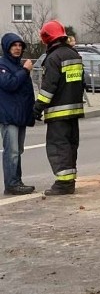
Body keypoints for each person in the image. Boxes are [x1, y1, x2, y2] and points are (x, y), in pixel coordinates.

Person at [33, 20, 85, 196]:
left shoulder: (53, 58)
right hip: (74, 110)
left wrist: (37, 108)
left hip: (58, 112)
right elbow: (81, 83)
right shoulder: (74, 54)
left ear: (47, 38)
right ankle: (69, 181)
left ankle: (64, 184)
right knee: (71, 146)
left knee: (58, 146)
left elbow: (48, 88)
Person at [0, 33, 36, 195]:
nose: (17, 48)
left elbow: (27, 93)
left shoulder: (18, 66)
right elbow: (10, 84)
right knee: (12, 151)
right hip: (8, 116)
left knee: (18, 151)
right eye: (14, 45)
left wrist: (33, 112)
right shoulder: (2, 65)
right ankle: (12, 184)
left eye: (20, 45)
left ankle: (17, 181)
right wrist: (25, 70)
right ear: (7, 47)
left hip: (20, 116)